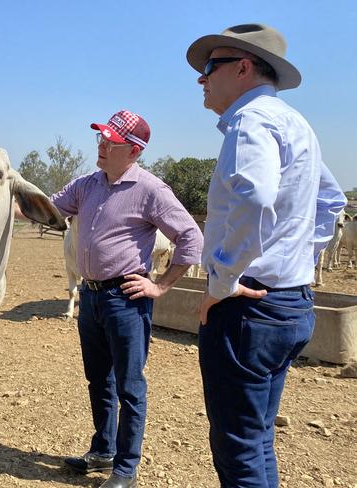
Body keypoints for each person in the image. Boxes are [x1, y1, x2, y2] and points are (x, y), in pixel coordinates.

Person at [186, 24, 346, 487]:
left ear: (243, 67)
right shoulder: (296, 123)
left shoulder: (249, 121)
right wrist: (297, 258)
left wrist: (221, 283)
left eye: (209, 67)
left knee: (239, 451)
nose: (202, 79)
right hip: (291, 302)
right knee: (256, 441)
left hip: (248, 309)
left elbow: (254, 200)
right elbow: (332, 201)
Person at [53, 111, 203, 488]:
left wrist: (162, 285)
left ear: (133, 151)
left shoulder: (151, 190)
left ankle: (126, 467)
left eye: (110, 142)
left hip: (126, 299)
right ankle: (103, 450)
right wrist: (0, 197)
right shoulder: (87, 184)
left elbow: (191, 238)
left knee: (129, 384)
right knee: (97, 380)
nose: (101, 146)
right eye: (100, 139)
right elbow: (49, 208)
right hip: (90, 296)